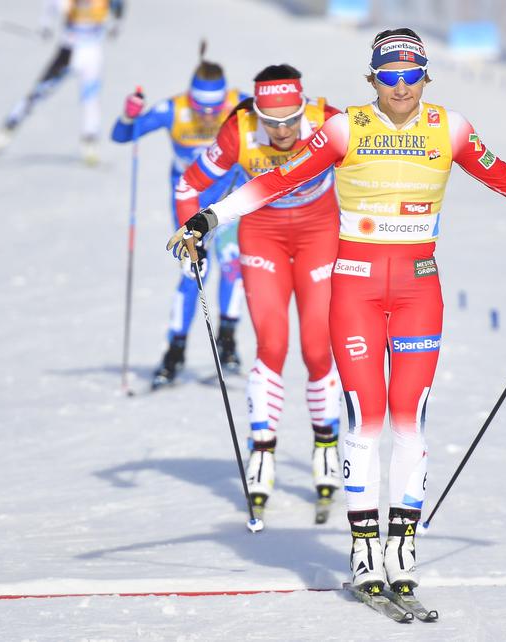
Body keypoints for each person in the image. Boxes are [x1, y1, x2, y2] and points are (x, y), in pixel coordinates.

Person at [167, 29, 506, 597]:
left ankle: (401, 546)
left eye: (411, 75)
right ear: (372, 80)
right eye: (390, 76)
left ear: (426, 77)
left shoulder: (449, 128)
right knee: (368, 420)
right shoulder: (344, 128)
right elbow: (277, 180)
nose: (401, 86)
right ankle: (363, 550)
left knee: (410, 420)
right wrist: (207, 219)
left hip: (418, 290)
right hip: (354, 288)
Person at [174, 65, 343, 517]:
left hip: (319, 233)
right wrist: (193, 238)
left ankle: (326, 444)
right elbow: (188, 184)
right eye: (273, 122)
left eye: (291, 119)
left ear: (304, 108)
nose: (283, 131)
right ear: (257, 114)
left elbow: (376, 169)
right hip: (263, 235)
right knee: (271, 343)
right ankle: (262, 451)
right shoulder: (240, 130)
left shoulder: (329, 120)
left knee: (316, 348)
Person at [111, 48, 247, 388]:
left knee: (232, 262)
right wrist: (129, 117)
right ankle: (174, 352)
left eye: (214, 108)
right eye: (201, 106)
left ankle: (227, 342)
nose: (206, 114)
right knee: (194, 272)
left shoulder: (240, 102)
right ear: (191, 97)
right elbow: (122, 136)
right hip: (189, 200)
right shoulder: (174, 109)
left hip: (229, 195)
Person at [0, 0, 125, 165]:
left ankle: (90, 142)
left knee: (90, 99)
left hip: (92, 54)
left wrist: (116, 25)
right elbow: (50, 6)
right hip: (68, 52)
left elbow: (119, 6)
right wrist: (45, 26)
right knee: (37, 94)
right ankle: (4, 133)